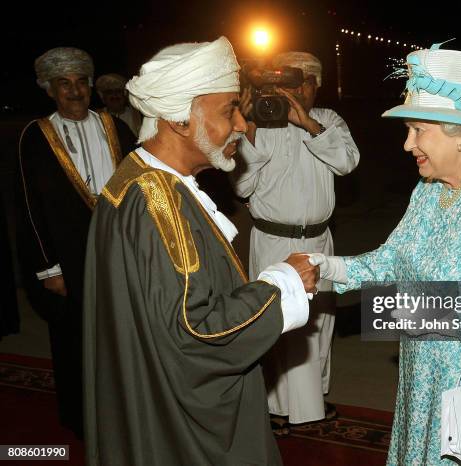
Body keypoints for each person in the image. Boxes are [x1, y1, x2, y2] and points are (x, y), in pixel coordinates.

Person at [309, 43, 461, 465]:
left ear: (460, 135)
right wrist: (324, 266)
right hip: (421, 380)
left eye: (419, 130)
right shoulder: (428, 192)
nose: (407, 145)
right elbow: (393, 258)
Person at [83, 36, 319, 466]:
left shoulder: (137, 178)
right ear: (178, 119)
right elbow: (197, 334)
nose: (244, 125)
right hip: (182, 428)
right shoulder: (160, 204)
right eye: (229, 109)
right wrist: (282, 283)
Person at [233, 51, 360, 433]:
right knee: (277, 321)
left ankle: (313, 399)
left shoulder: (329, 121)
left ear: (315, 85)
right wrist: (250, 128)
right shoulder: (258, 122)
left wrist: (307, 125)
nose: (293, 90)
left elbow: (347, 162)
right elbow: (240, 186)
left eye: (302, 82)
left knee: (319, 323)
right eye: (288, 82)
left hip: (320, 239)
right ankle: (276, 407)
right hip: (272, 240)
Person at [16, 46, 135, 437]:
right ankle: (83, 418)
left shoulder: (115, 127)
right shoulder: (36, 136)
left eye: (80, 82)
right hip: (68, 257)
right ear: (49, 90)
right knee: (75, 340)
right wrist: (49, 268)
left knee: (124, 331)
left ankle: (127, 410)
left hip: (120, 250)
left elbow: (143, 188)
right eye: (63, 84)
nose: (74, 91)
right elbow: (29, 207)